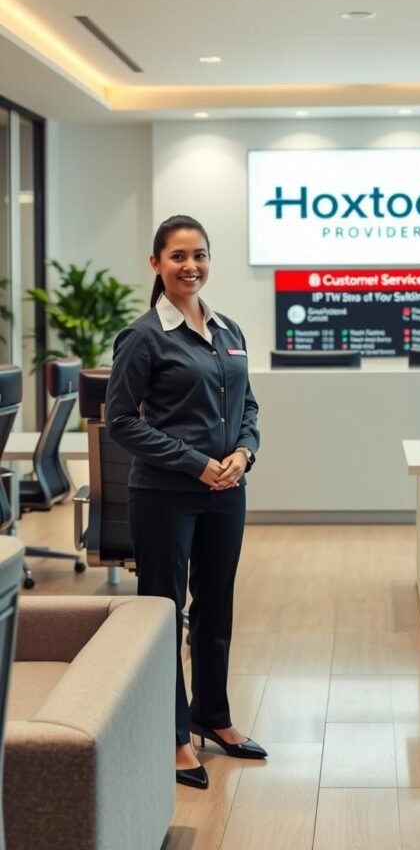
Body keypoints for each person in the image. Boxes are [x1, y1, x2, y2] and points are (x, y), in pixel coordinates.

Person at [105, 213, 265, 790]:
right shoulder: (143, 336)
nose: (190, 266)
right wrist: (197, 463)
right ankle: (172, 734)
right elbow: (119, 421)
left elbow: (249, 407)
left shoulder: (230, 331)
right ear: (156, 264)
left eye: (199, 255)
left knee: (216, 606)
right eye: (177, 256)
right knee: (164, 615)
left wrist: (243, 454)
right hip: (166, 495)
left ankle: (212, 716)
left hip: (228, 492)